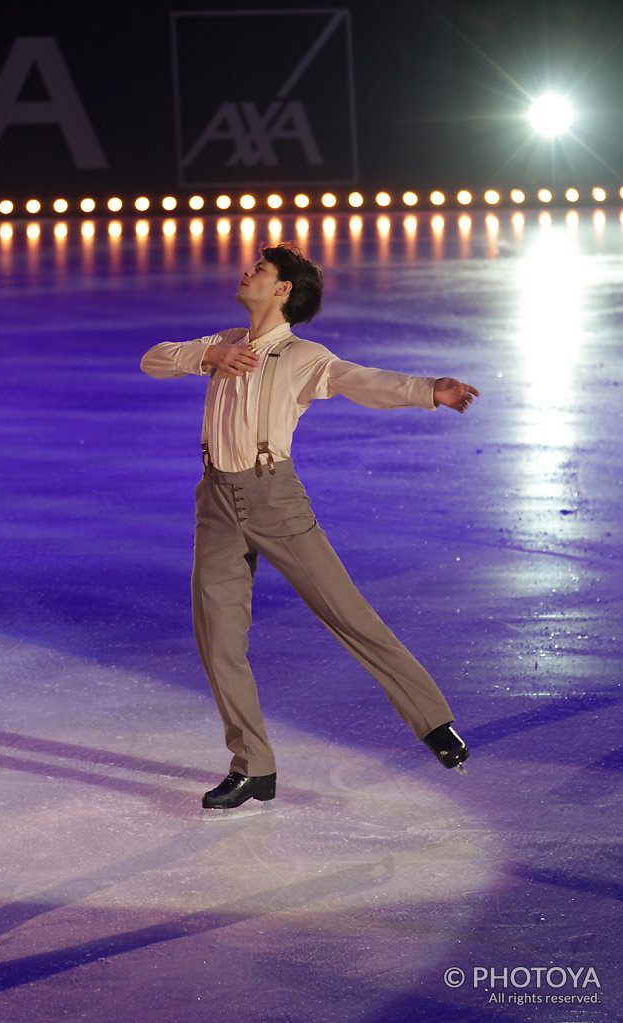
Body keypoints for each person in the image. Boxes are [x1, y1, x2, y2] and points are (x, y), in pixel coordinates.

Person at [141, 242, 479, 811]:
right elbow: (153, 358)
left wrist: (427, 391)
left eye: (261, 270)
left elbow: (359, 380)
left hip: (276, 500)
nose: (246, 272)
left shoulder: (303, 356)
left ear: (282, 291)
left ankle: (433, 722)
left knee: (347, 614)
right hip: (216, 503)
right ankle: (254, 767)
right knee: (218, 638)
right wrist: (208, 359)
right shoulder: (223, 343)